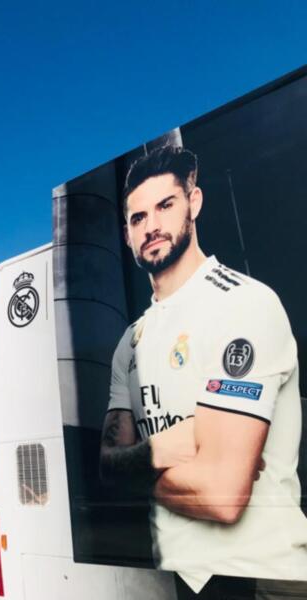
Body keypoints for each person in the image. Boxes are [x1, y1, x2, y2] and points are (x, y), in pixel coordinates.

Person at [99, 145, 307, 599]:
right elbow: (107, 466)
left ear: (193, 203)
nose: (151, 226)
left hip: (262, 576)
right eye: (138, 218)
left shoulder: (242, 303)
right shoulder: (129, 344)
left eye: (165, 206)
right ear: (127, 234)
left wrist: (137, 466)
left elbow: (220, 495)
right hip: (182, 577)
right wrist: (168, 446)